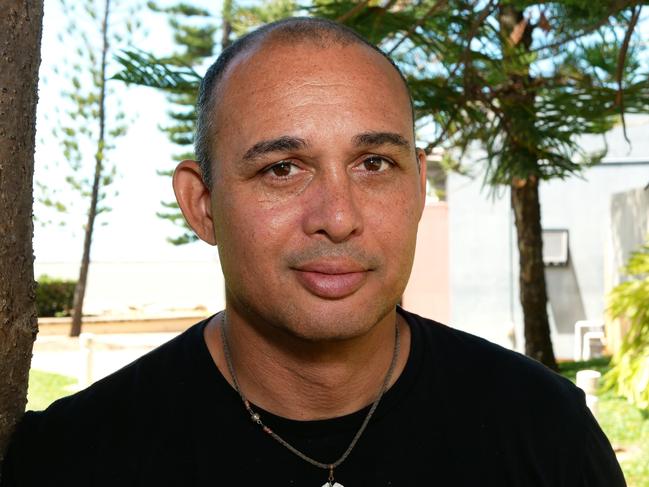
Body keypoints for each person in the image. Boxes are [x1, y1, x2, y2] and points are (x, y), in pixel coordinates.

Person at [1, 17, 625, 487]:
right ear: (202, 204)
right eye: (282, 169)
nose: (338, 217)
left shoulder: (548, 434)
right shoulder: (74, 459)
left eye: (374, 163)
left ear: (416, 186)